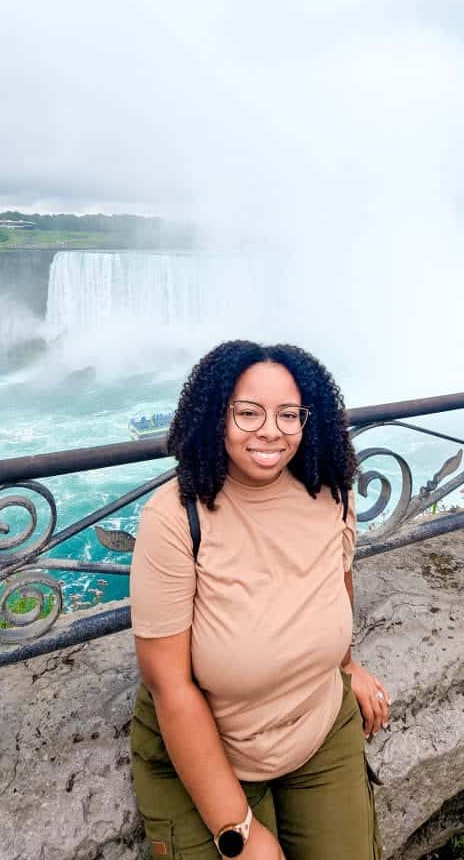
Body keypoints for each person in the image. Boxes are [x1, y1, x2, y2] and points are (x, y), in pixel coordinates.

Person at [130, 340, 389, 859]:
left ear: (306, 421)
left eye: (287, 415)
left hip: (316, 724)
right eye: (248, 413)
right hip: (209, 746)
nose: (270, 431)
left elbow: (337, 582)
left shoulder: (330, 491)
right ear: (215, 416)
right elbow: (170, 685)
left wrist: (347, 663)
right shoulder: (176, 518)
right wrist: (239, 833)